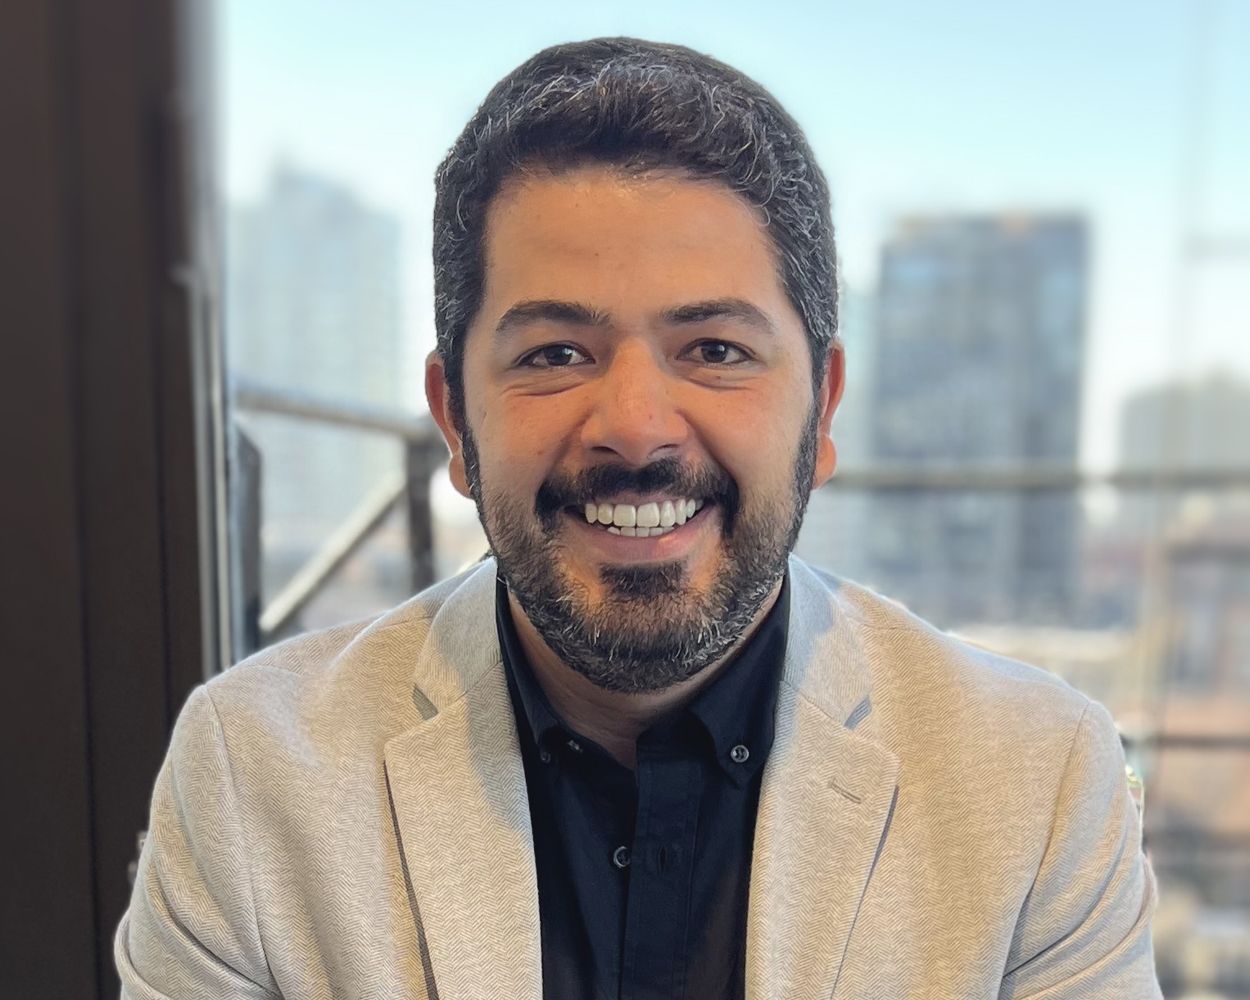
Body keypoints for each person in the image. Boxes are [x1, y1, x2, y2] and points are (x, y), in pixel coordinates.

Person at [116, 38, 1161, 999]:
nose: (633, 427)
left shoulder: (1037, 782)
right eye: (553, 354)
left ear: (822, 407)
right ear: (454, 418)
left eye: (713, 349)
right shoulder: (251, 776)